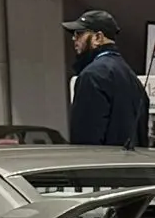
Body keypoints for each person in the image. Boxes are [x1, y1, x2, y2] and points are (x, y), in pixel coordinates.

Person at [62, 10, 147, 149]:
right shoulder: (131, 76)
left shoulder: (92, 76)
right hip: (132, 166)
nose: (74, 39)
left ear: (98, 37)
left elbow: (85, 140)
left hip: (102, 167)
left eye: (79, 33)